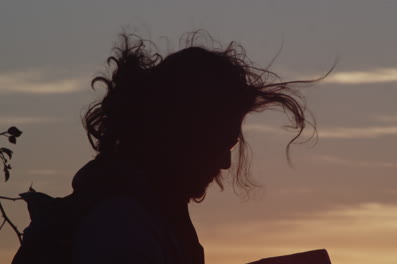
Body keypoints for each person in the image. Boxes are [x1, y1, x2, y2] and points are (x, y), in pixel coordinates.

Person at [64, 32, 321, 264]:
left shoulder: (151, 219)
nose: (225, 162)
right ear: (182, 136)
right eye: (221, 143)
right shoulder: (120, 225)